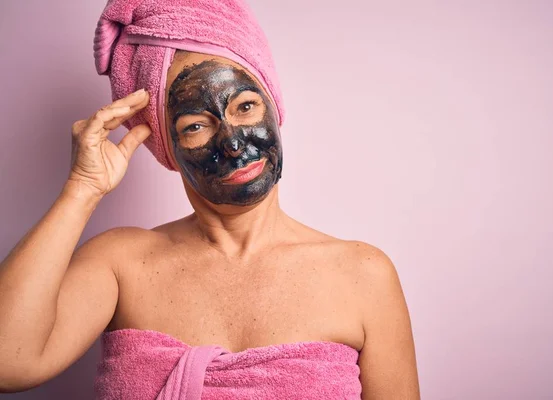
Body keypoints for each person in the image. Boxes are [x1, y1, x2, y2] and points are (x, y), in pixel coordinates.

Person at [0, 0, 419, 398]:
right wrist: (82, 188)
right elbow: (8, 363)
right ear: (167, 145)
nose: (233, 143)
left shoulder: (364, 275)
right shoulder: (120, 264)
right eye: (196, 126)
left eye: (246, 106)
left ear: (275, 106)